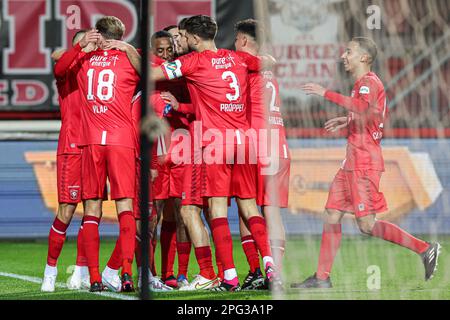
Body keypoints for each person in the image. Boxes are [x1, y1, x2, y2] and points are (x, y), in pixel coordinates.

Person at [291, 37, 441, 288]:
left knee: (367, 225)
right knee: (331, 214)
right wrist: (346, 121)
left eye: (348, 52)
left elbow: (362, 107)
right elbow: (369, 115)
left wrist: (325, 92)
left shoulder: (369, 82)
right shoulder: (363, 84)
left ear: (364, 58)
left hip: (364, 163)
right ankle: (322, 278)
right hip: (351, 161)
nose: (343, 56)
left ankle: (425, 249)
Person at [151, 15, 279, 292]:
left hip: (216, 143)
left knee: (217, 209)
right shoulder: (238, 58)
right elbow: (268, 62)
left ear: (195, 38)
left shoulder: (192, 62)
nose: (181, 41)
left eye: (184, 37)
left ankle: (229, 276)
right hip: (245, 142)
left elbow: (153, 75)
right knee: (249, 207)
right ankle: (269, 262)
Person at [75, 16, 140, 292]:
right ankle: (126, 273)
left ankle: (95, 278)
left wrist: (83, 48)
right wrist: (130, 50)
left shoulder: (85, 61)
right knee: (126, 206)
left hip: (92, 141)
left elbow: (61, 63)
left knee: (92, 209)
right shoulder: (128, 58)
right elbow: (151, 75)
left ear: (98, 35)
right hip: (121, 140)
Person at [233, 19, 291, 290]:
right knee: (273, 213)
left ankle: (257, 270)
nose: (234, 45)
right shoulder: (269, 68)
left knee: (247, 208)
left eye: (236, 40)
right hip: (279, 144)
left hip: (254, 143)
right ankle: (276, 273)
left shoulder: (242, 64)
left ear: (243, 41)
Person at [41, 29, 96, 292]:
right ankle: (49, 272)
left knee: (92, 213)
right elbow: (59, 60)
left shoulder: (98, 73)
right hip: (72, 148)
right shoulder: (67, 73)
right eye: (85, 44)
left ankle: (81, 272)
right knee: (67, 211)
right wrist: (79, 47)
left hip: (96, 148)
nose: (90, 48)